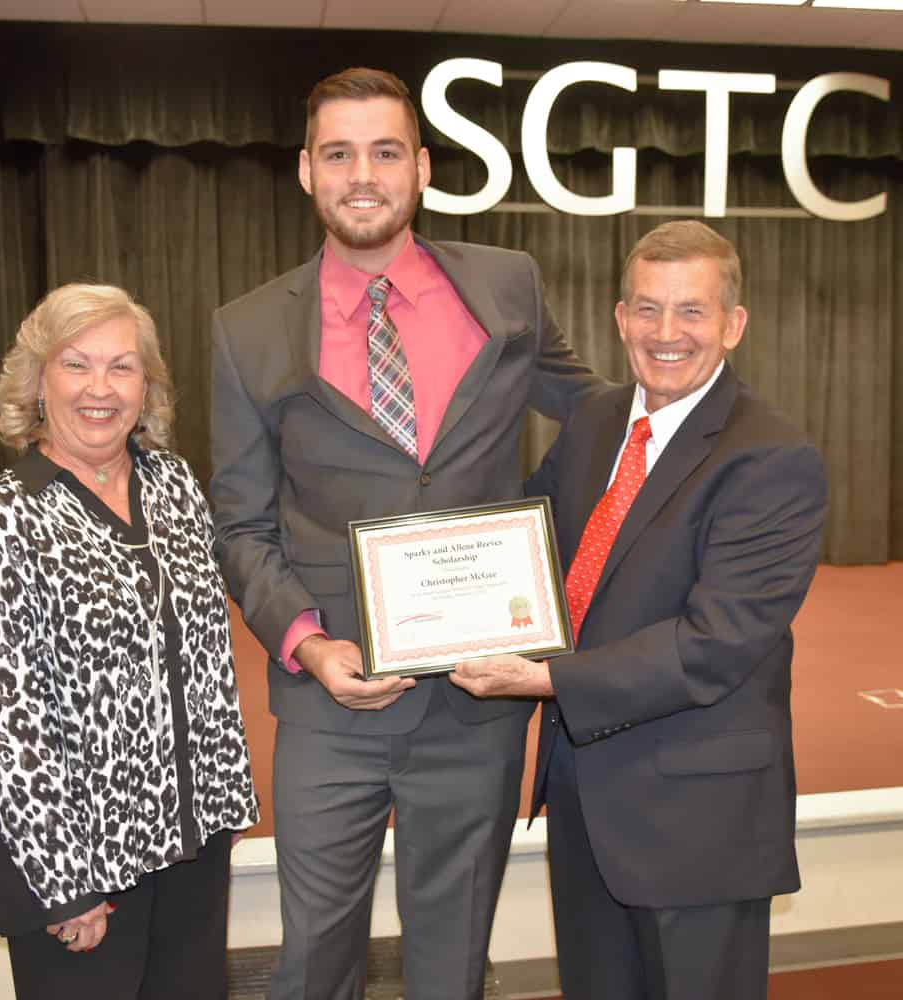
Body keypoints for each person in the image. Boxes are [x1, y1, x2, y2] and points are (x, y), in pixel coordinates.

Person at [210, 67, 599, 1000]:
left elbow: (592, 420)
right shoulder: (247, 330)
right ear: (307, 171)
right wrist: (308, 645)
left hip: (478, 700)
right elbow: (241, 523)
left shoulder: (506, 288)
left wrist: (539, 553)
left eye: (385, 151)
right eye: (339, 153)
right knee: (314, 962)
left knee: (453, 959)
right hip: (331, 703)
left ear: (421, 167)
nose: (363, 174)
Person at [449, 220, 828, 1000]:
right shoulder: (594, 423)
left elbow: (716, 643)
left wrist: (549, 680)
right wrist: (420, 586)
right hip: (587, 799)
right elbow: (528, 542)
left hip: (697, 817)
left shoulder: (771, 457)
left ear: (733, 324)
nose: (667, 333)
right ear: (619, 318)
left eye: (692, 311)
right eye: (647, 309)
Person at [0, 284, 258, 1000]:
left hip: (193, 847)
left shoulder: (175, 485)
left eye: (122, 367)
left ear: (145, 385)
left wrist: (223, 800)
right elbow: (3, 724)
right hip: (88, 875)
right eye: (76, 364)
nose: (100, 388)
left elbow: (206, 660)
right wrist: (63, 886)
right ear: (37, 382)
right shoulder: (3, 520)